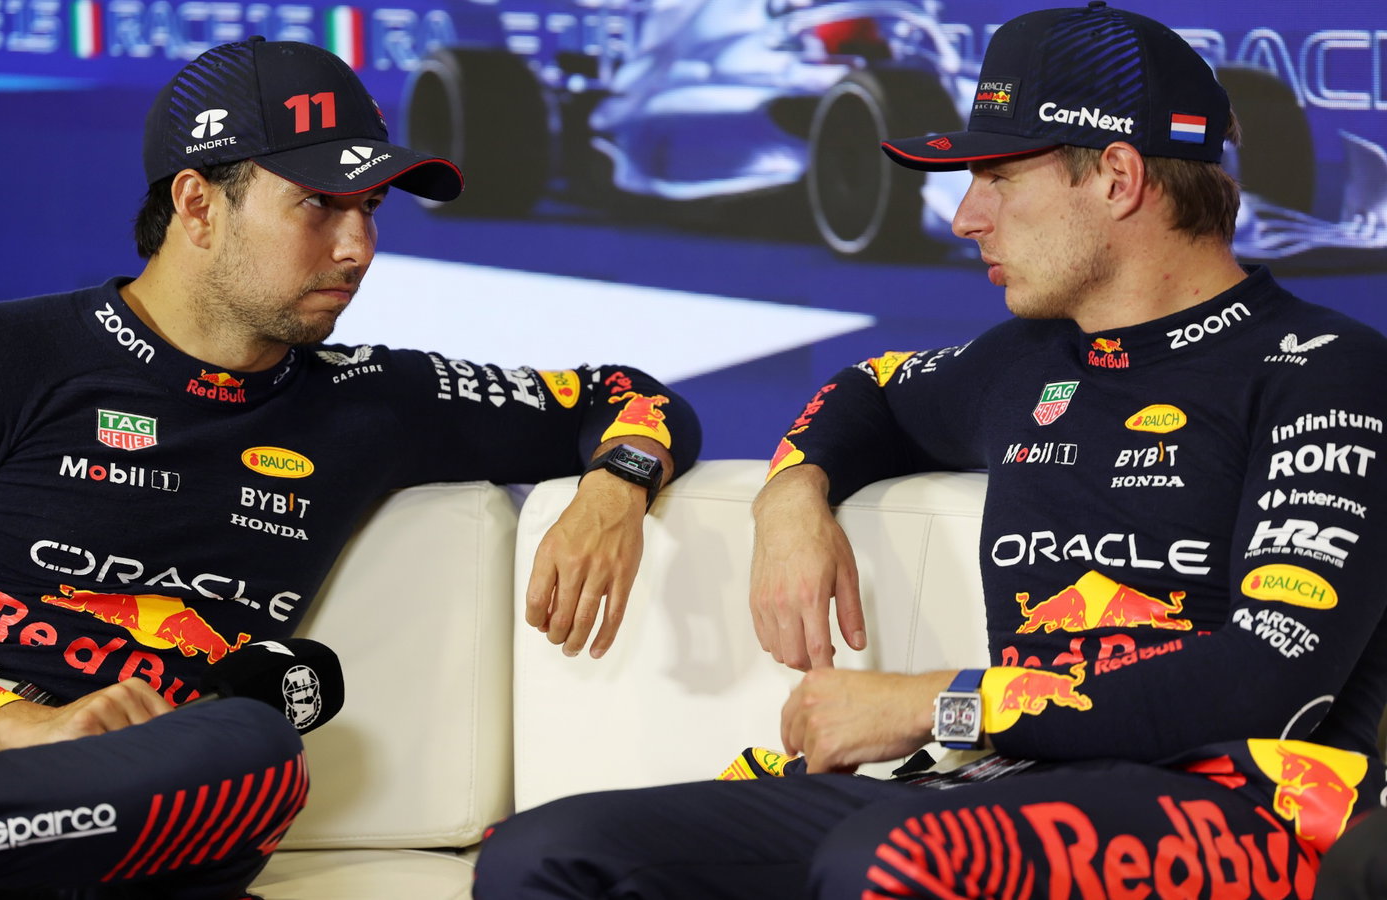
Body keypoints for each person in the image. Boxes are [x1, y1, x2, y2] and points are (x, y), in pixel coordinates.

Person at [474, 3, 1387, 897]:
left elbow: (1267, 680)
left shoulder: (1327, 371)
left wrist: (936, 702)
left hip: (1236, 805)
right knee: (545, 852)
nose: (965, 216)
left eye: (998, 177)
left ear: (1116, 177)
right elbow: (869, 390)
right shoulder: (1027, 361)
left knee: (886, 859)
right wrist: (790, 494)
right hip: (998, 786)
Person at [0, 37, 699, 899]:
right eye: (319, 204)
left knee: (256, 752)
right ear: (196, 204)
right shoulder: (5, 351)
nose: (358, 248)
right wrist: (21, 728)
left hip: (124, 811)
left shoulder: (375, 397)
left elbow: (626, 394)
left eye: (371, 209)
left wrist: (616, 484)